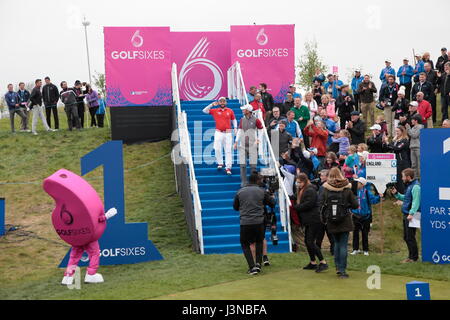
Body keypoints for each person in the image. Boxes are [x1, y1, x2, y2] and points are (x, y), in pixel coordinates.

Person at [319, 167, 358, 278]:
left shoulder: (325, 189)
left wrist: (324, 217)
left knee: (336, 244)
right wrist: (347, 205)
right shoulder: (347, 189)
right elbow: (355, 205)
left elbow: (320, 204)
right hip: (345, 219)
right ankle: (342, 270)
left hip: (331, 220)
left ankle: (337, 267)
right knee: (343, 245)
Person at [233, 171, 275, 274]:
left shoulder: (240, 191)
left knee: (245, 244)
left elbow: (235, 207)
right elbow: (272, 204)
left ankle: (252, 267)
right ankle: (258, 264)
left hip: (245, 222)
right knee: (259, 241)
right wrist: (272, 197)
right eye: (260, 180)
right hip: (259, 221)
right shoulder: (262, 191)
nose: (261, 181)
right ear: (257, 180)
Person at [295, 173, 328, 272]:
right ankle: (313, 262)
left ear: (304, 181)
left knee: (310, 241)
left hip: (314, 219)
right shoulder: (303, 190)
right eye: (297, 182)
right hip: (308, 220)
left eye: (299, 182)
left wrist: (296, 207)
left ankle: (323, 262)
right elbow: (300, 200)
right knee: (307, 241)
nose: (298, 184)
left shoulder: (310, 190)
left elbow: (309, 204)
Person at [390, 168, 421, 263]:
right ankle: (411, 257)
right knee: (407, 237)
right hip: (407, 214)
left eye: (403, 176)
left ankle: (413, 258)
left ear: (408, 177)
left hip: (413, 215)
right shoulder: (410, 186)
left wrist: (411, 213)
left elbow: (416, 202)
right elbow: (406, 198)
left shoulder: (416, 187)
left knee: (410, 236)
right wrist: (397, 194)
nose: (402, 178)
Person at [203, 97, 237, 175]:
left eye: (224, 101)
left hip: (228, 133)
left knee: (228, 150)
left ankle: (228, 167)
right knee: (217, 148)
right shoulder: (215, 110)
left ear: (226, 103)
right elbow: (204, 110)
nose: (222, 102)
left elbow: (234, 119)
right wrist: (211, 105)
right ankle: (220, 163)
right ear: (218, 102)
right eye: (220, 101)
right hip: (218, 132)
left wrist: (235, 128)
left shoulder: (230, 110)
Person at [350, 177, 381, 256]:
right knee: (355, 233)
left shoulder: (367, 192)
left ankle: (365, 250)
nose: (356, 184)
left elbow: (373, 200)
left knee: (365, 233)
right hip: (355, 215)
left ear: (362, 184)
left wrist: (379, 197)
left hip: (365, 216)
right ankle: (355, 249)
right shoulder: (353, 191)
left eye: (358, 183)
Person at [234, 104, 263, 186]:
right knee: (242, 165)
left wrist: (258, 139)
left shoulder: (256, 120)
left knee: (253, 166)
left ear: (248, 111)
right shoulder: (242, 119)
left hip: (252, 145)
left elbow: (261, 130)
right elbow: (239, 131)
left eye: (244, 109)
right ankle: (243, 182)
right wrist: (236, 141)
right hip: (243, 145)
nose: (243, 111)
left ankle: (253, 182)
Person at [383, 126, 411, 194]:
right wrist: (384, 142)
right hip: (395, 162)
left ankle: (403, 196)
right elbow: (388, 148)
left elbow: (397, 148)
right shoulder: (395, 140)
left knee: (402, 179)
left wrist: (388, 143)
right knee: (397, 179)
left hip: (402, 162)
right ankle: (398, 195)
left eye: (398, 131)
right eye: (396, 131)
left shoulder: (405, 140)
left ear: (402, 131)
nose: (396, 132)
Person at [406, 114, 423, 179]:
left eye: (412, 120)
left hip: (418, 147)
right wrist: (409, 129)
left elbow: (414, 135)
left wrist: (408, 128)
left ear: (416, 120)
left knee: (419, 164)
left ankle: (420, 178)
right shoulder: (413, 128)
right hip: (412, 147)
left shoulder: (420, 127)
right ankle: (415, 178)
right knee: (413, 164)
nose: (411, 121)